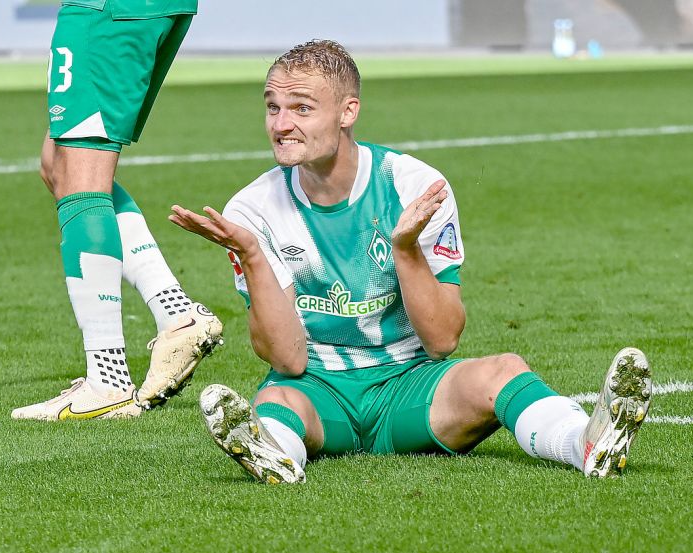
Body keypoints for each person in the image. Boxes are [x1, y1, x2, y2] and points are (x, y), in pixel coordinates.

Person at [170, 39, 651, 483]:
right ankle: (277, 457)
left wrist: (404, 250)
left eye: (301, 108)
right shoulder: (251, 210)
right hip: (318, 389)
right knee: (276, 401)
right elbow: (287, 358)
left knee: (503, 369)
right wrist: (250, 255)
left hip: (409, 385)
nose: (280, 124)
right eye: (272, 108)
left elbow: (442, 341)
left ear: (347, 111)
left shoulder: (414, 186)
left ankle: (586, 445)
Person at [0, 0, 223, 419]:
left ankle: (107, 379)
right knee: (59, 165)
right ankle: (177, 314)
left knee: (81, 178)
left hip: (108, 9)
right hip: (149, 8)